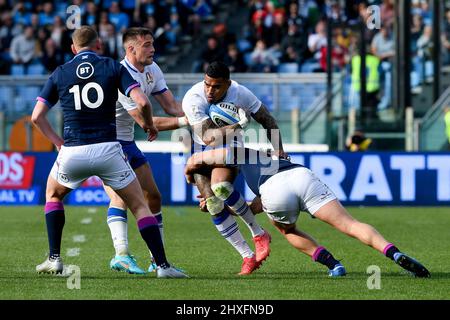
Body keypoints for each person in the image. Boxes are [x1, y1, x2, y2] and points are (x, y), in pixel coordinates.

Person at [31, 25, 187, 278]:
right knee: (139, 205)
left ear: (73, 48)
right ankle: (161, 266)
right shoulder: (114, 67)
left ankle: (54, 259)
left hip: (73, 149)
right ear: (100, 46)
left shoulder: (60, 72)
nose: (152, 49)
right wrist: (149, 124)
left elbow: (36, 117)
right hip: (109, 147)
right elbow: (142, 102)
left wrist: (58, 142)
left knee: (53, 195)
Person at [184, 146, 431, 278]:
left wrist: (192, 179)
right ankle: (394, 253)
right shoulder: (267, 157)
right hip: (301, 175)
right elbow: (252, 208)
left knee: (287, 229)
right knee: (349, 224)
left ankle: (333, 265)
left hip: (273, 191)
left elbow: (196, 159)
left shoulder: (237, 152)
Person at [182, 61, 286, 275]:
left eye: (216, 86)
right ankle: (247, 256)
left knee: (220, 187)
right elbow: (208, 138)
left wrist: (279, 150)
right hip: (202, 147)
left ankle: (258, 234)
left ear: (228, 84)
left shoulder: (241, 93)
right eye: (207, 84)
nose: (210, 91)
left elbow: (267, 119)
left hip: (230, 145)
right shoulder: (193, 98)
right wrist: (240, 125)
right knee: (212, 204)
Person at [104, 27, 187, 275]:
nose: (153, 49)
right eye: (148, 45)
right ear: (131, 49)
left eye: (152, 44)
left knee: (153, 196)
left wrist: (202, 110)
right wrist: (189, 122)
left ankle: (156, 260)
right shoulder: (121, 75)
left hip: (127, 142)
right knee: (121, 197)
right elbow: (145, 121)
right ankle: (121, 254)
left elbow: (172, 106)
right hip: (108, 143)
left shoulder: (152, 69)